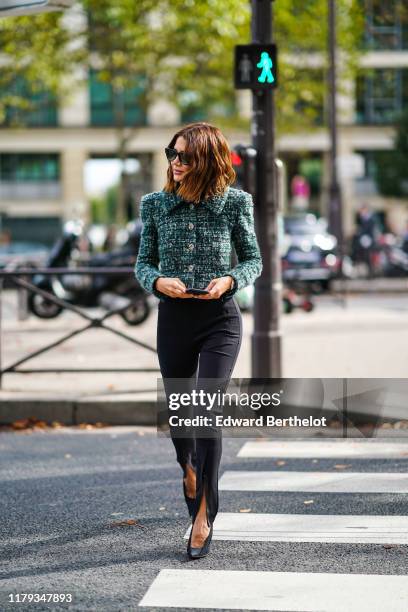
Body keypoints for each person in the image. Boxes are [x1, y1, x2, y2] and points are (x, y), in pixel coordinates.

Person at [134, 122, 262, 560]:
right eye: (172, 152)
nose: (174, 162)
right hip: (173, 319)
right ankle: (187, 469)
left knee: (207, 410)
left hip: (220, 319)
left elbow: (253, 260)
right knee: (180, 417)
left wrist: (230, 278)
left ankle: (204, 515)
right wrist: (157, 282)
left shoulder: (234, 204)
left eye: (184, 156)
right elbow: (142, 263)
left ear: (206, 160)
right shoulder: (153, 205)